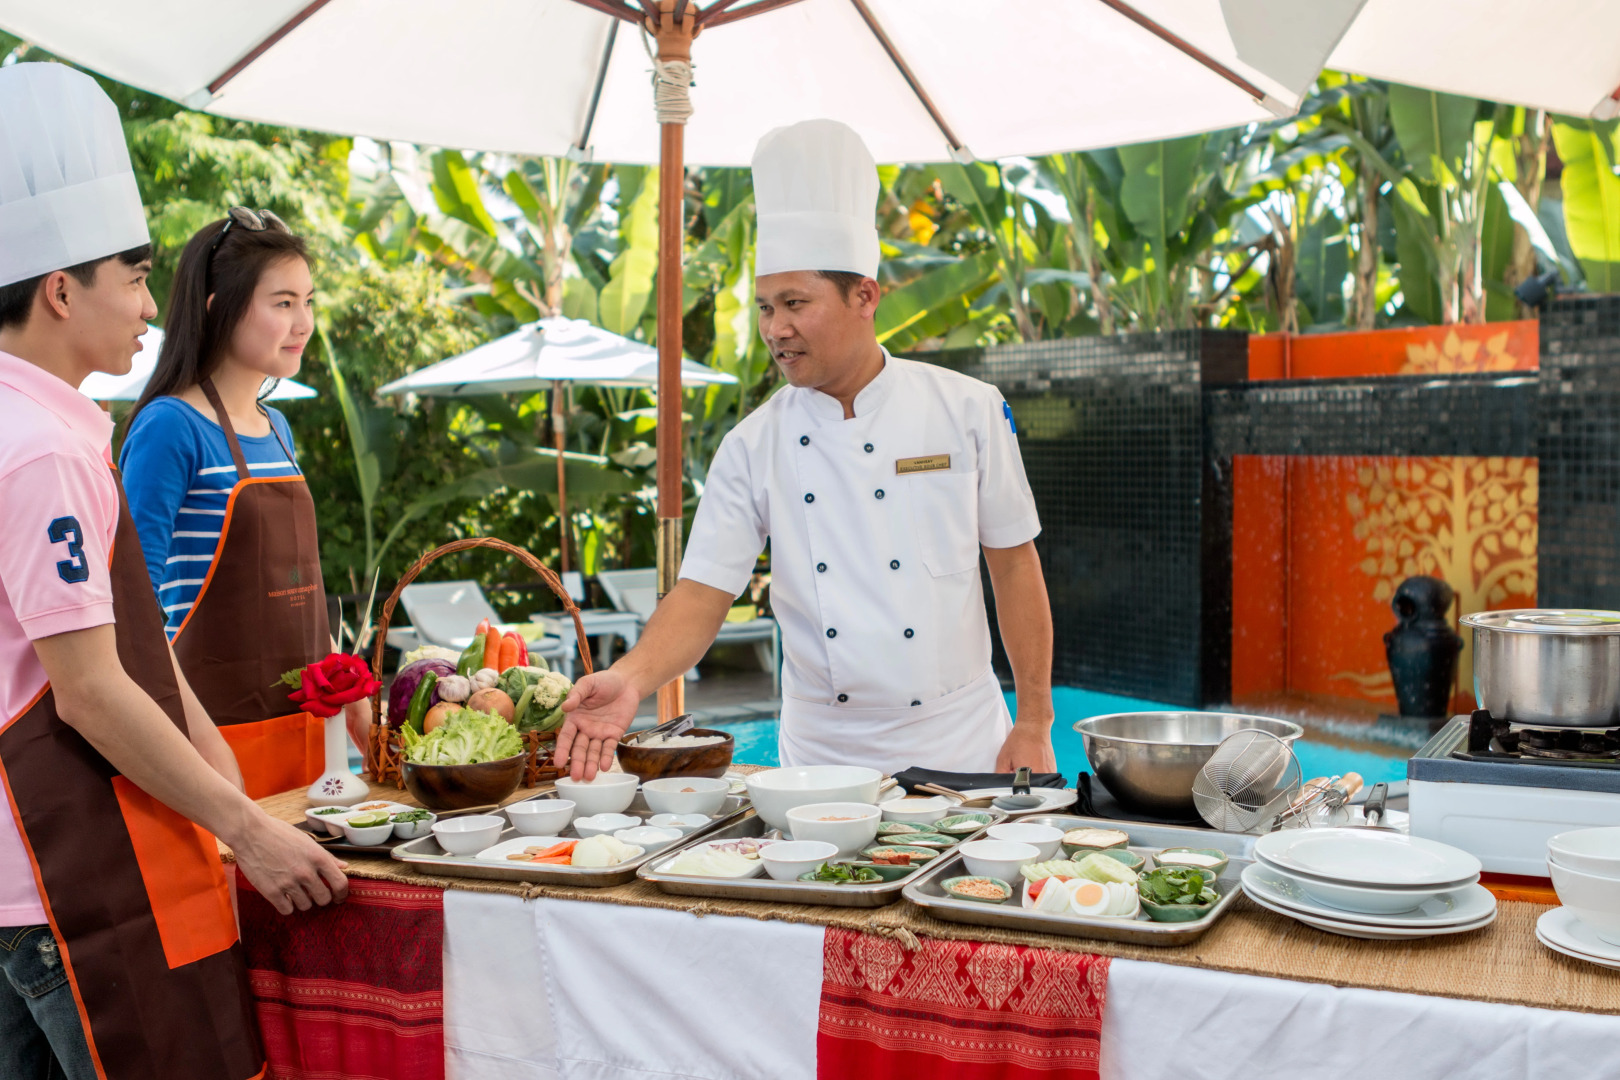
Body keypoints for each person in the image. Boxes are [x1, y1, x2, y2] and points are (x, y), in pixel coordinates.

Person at [0, 62, 347, 1080]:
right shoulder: (47, 450)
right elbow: (92, 687)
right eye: (137, 273)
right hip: (79, 875)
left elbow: (132, 640)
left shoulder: (38, 426)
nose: (153, 301)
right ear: (63, 290)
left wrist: (228, 787)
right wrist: (244, 823)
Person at [557, 119, 1055, 780]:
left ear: (865, 297)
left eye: (795, 302)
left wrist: (1034, 721)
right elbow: (704, 592)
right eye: (764, 307)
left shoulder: (967, 409)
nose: (775, 329)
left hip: (960, 739)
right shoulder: (752, 444)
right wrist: (629, 676)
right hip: (823, 758)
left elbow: (1014, 567)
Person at [119, 210, 369, 798]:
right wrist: (203, 751)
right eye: (282, 302)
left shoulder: (277, 426)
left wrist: (350, 696)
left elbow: (299, 592)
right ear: (216, 307)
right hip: (212, 744)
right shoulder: (169, 427)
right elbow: (131, 607)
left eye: (308, 300)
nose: (303, 322)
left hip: (312, 736)